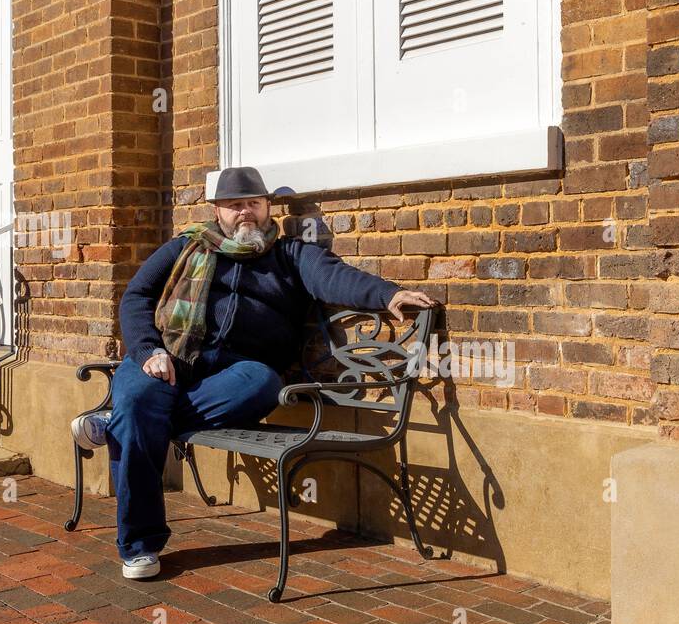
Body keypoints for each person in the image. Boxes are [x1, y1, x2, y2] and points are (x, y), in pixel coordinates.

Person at [71, 166, 437, 579]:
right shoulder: (188, 246)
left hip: (237, 371)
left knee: (256, 384)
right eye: (234, 205)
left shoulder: (291, 254)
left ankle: (118, 424)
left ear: (266, 208)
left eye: (253, 203)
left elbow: (335, 278)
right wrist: (146, 349)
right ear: (217, 211)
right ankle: (139, 545)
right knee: (139, 400)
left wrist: (387, 293)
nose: (245, 212)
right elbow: (136, 295)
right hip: (167, 357)